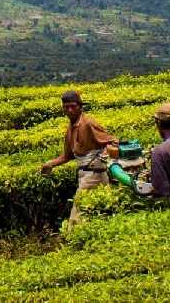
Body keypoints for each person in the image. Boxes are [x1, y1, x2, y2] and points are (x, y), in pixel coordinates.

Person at [39, 90, 119, 224]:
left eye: (73, 106)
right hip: (84, 175)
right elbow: (67, 156)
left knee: (77, 217)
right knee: (97, 214)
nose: (70, 110)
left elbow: (113, 141)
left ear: (80, 106)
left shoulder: (88, 123)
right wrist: (50, 164)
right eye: (66, 107)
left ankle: (73, 239)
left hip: (94, 174)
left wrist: (104, 155)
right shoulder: (70, 128)